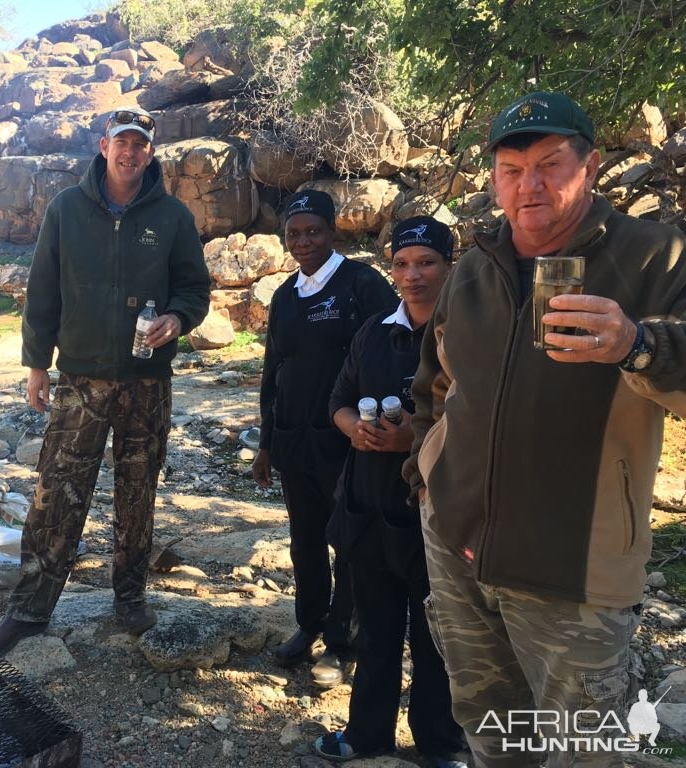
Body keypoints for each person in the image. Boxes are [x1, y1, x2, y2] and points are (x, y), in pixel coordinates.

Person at [402, 91, 686, 766]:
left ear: (587, 167)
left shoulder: (654, 256)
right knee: (492, 735)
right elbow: (434, 386)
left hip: (573, 573)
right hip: (458, 551)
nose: (529, 184)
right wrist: (425, 478)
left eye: (550, 164)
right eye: (511, 167)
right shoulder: (476, 265)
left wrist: (635, 343)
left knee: (581, 751)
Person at [0, 106, 211, 656]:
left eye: (141, 145)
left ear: (151, 153)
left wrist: (177, 319)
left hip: (146, 381)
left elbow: (194, 290)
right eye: (121, 143)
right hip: (79, 378)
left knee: (137, 491)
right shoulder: (66, 209)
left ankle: (129, 599)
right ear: (104, 147)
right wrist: (37, 363)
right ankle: (29, 609)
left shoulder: (172, 217)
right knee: (57, 490)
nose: (131, 153)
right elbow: (43, 290)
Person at [314, 216, 465, 765]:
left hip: (437, 517)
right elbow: (338, 398)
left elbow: (484, 424)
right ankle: (367, 735)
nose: (413, 275)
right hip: (370, 508)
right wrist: (354, 426)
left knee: (435, 642)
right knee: (375, 633)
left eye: (426, 262)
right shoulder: (375, 331)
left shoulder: (469, 335)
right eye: (402, 264)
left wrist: (414, 439)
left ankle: (439, 746)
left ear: (451, 266)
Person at [253, 189, 398, 688]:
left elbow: (396, 351)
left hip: (348, 443)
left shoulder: (362, 284)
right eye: (294, 233)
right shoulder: (285, 295)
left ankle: (343, 643)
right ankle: (308, 624)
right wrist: (267, 442)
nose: (304, 242)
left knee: (350, 543)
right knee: (305, 543)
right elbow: (275, 369)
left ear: (333, 230)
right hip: (295, 443)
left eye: (313, 231)